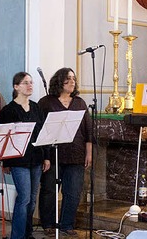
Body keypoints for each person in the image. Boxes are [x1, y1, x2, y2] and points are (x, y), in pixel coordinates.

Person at [37, 67, 93, 236]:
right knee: (49, 190)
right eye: (68, 78)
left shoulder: (80, 102)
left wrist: (89, 152)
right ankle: (47, 223)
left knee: (73, 191)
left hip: (76, 153)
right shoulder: (46, 102)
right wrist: (43, 156)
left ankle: (67, 224)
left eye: (73, 79)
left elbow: (88, 130)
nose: (71, 81)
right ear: (59, 80)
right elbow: (39, 130)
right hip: (52, 155)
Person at [0, 72, 50, 239]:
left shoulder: (36, 107)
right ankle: (17, 235)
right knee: (24, 198)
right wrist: (5, 162)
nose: (30, 86)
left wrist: (47, 156)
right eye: (25, 83)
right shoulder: (8, 110)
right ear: (16, 87)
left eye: (31, 82)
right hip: (18, 160)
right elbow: (6, 138)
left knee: (32, 199)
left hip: (36, 158)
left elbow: (43, 133)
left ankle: (27, 233)